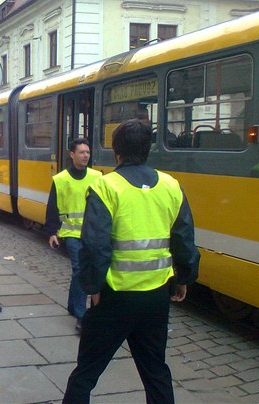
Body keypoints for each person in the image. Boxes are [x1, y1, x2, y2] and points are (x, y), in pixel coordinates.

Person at [63, 119, 200, 404]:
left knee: (86, 372)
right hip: (155, 299)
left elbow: (95, 246)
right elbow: (184, 238)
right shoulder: (171, 186)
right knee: (155, 371)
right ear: (149, 148)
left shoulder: (106, 187)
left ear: (116, 152)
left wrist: (93, 287)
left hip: (115, 298)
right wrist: (183, 278)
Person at [45, 138, 102, 333]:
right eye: (81, 152)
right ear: (72, 154)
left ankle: (72, 304)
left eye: (87, 152)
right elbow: (52, 207)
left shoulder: (97, 177)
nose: (86, 155)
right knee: (80, 270)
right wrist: (52, 232)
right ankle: (81, 315)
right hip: (71, 233)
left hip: (92, 234)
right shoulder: (61, 179)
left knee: (81, 271)